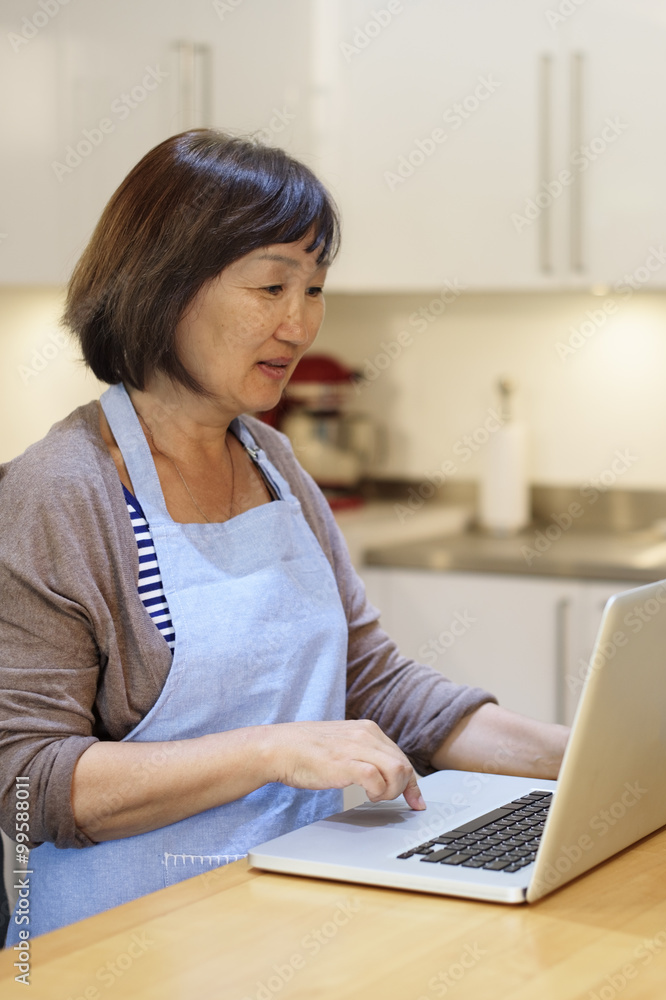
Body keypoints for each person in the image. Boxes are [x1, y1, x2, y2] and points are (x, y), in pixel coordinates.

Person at [0, 130, 569, 940]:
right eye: (272, 287)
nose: (300, 326)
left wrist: (578, 756)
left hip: (283, 916)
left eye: (315, 289)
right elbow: (24, 783)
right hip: (118, 946)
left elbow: (374, 688)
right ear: (165, 287)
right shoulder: (60, 491)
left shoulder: (270, 459)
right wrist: (271, 751)